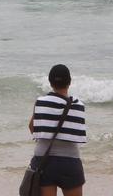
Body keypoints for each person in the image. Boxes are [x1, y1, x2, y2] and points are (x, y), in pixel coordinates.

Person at [27, 63, 87, 196]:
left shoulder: (40, 101)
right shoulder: (79, 105)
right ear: (69, 82)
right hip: (70, 160)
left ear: (50, 82)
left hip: (44, 160)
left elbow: (32, 127)